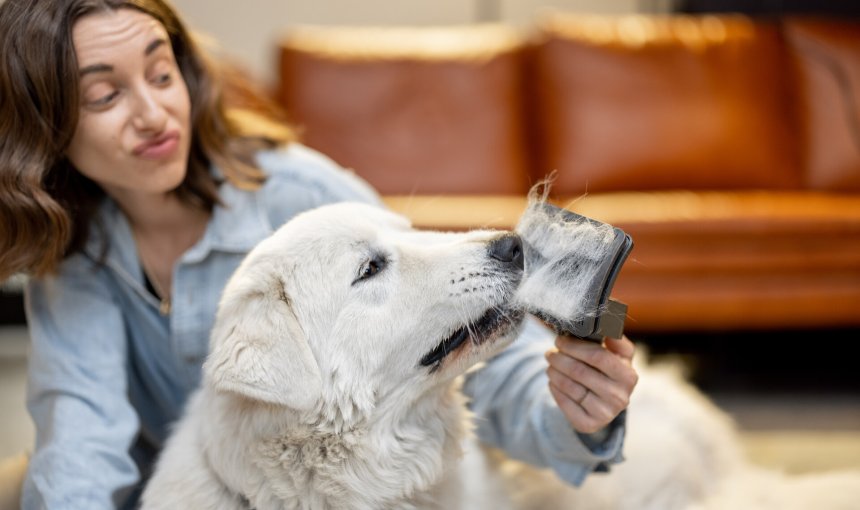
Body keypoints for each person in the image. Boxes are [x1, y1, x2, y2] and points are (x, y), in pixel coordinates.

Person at [0, 0, 639, 508]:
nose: (154, 113)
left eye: (162, 73)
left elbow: (483, 356)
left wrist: (577, 413)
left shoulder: (305, 194)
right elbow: (80, 437)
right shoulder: (73, 256)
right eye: (105, 95)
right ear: (47, 127)